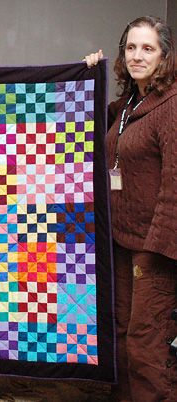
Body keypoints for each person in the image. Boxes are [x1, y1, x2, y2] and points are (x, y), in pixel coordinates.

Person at [85, 16, 177, 402]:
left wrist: (157, 249)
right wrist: (87, 76)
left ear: (165, 56)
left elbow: (175, 182)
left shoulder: (171, 105)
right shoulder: (129, 104)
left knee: (145, 339)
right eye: (131, 47)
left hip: (154, 246)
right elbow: (100, 124)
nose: (138, 56)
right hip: (122, 239)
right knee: (121, 330)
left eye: (148, 48)